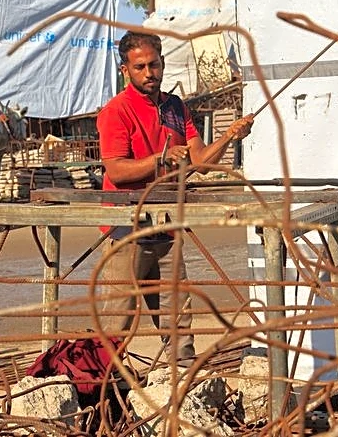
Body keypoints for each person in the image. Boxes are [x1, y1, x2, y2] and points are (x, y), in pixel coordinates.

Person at [95, 31, 254, 361]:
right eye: (140, 67)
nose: (149, 73)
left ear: (163, 64)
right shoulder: (117, 111)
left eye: (154, 65)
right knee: (119, 316)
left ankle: (181, 377)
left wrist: (229, 135)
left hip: (167, 223)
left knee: (177, 312)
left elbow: (201, 163)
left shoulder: (175, 107)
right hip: (128, 226)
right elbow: (116, 172)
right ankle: (105, 385)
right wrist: (160, 159)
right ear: (125, 70)